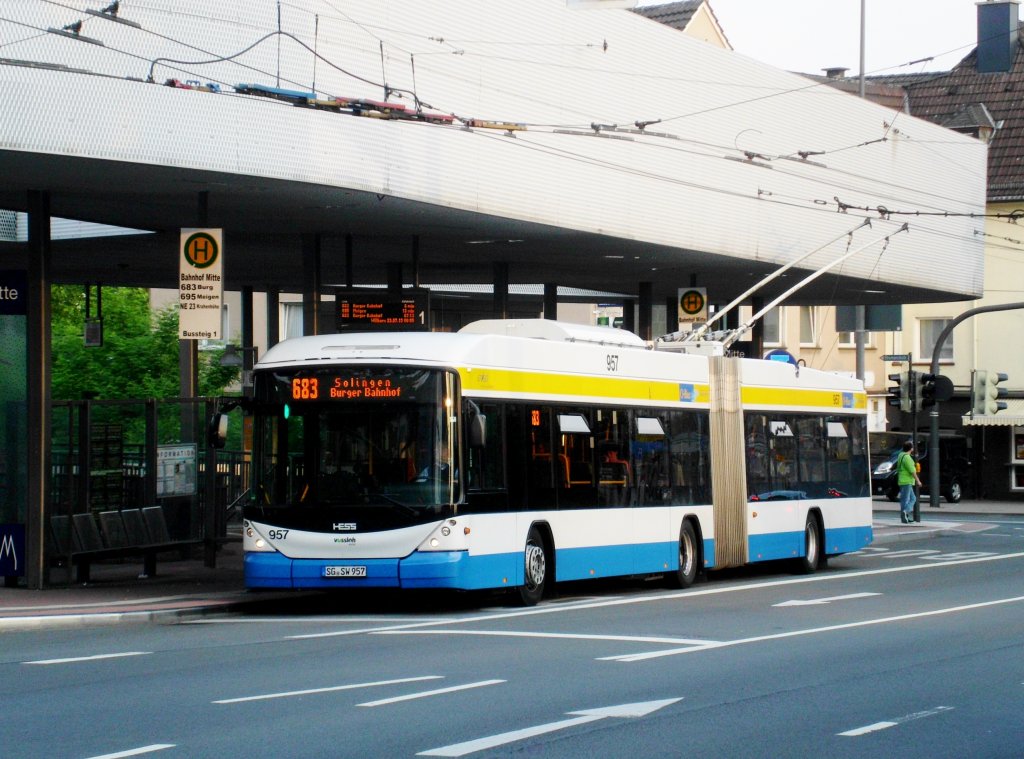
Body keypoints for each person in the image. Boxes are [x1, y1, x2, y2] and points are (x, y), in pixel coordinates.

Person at [896, 440, 921, 524]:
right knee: (907, 499)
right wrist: (918, 481)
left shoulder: (900, 455)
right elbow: (912, 471)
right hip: (907, 481)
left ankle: (905, 517)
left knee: (909, 498)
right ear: (911, 449)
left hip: (902, 480)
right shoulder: (907, 458)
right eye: (912, 447)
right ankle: (905, 512)